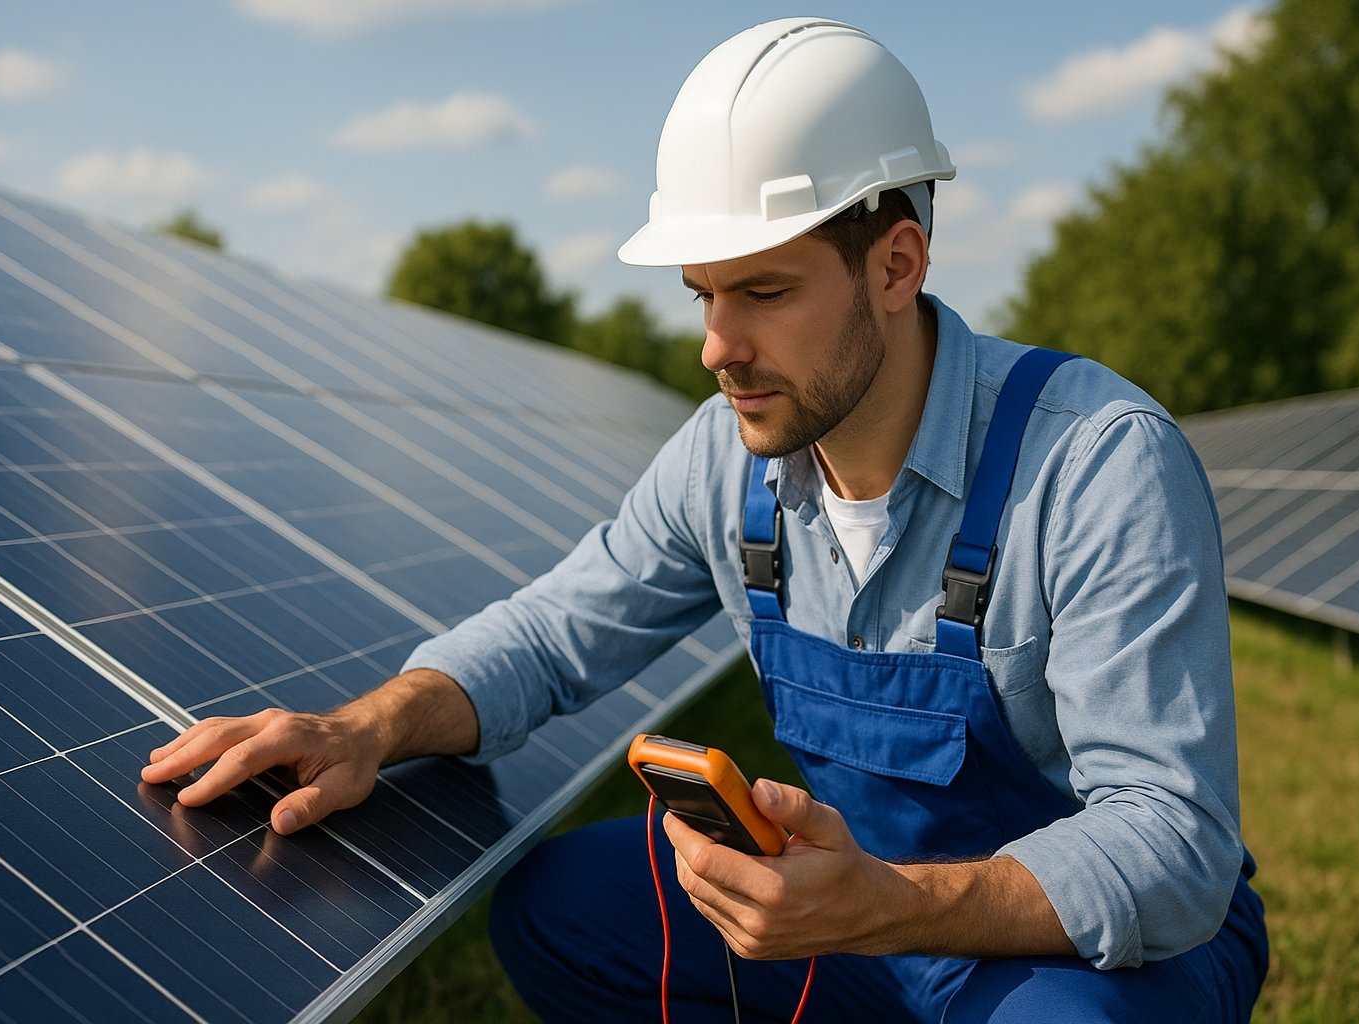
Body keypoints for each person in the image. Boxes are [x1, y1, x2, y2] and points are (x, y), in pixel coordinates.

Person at [142, 17, 1269, 1022]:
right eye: (703, 293)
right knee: (557, 914)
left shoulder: (1096, 462)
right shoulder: (727, 456)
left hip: (1075, 955)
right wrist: (369, 725)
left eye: (764, 293)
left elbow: (1173, 846)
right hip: (853, 909)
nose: (716, 347)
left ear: (897, 262)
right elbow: (551, 635)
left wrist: (886, 907)